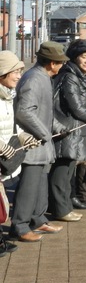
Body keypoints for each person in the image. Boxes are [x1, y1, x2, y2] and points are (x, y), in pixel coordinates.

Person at [11, 42, 68, 242]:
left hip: (41, 142)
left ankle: (37, 219)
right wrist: (45, 133)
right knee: (29, 185)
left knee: (40, 184)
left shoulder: (42, 77)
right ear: (52, 63)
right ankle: (20, 226)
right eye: (60, 62)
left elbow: (44, 111)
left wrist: (58, 128)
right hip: (32, 144)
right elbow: (24, 112)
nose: (61, 66)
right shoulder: (35, 79)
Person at [50, 40, 86, 222]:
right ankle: (60, 210)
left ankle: (65, 207)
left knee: (68, 171)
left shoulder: (81, 76)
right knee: (61, 173)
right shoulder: (70, 76)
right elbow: (75, 107)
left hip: (76, 128)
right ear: (75, 57)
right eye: (84, 57)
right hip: (67, 128)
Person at [0, 51, 31, 255]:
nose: (19, 76)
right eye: (15, 72)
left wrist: (23, 137)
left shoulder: (7, 95)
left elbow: (11, 127)